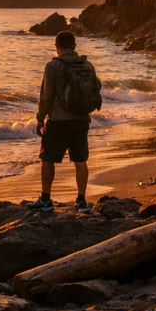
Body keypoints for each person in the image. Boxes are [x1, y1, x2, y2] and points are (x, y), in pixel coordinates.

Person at [29, 31, 100, 213]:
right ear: (75, 46)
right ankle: (82, 201)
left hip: (58, 120)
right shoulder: (88, 65)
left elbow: (46, 96)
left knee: (48, 159)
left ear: (57, 46)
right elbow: (95, 90)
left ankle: (46, 200)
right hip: (81, 119)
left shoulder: (52, 66)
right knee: (80, 159)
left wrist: (40, 117)